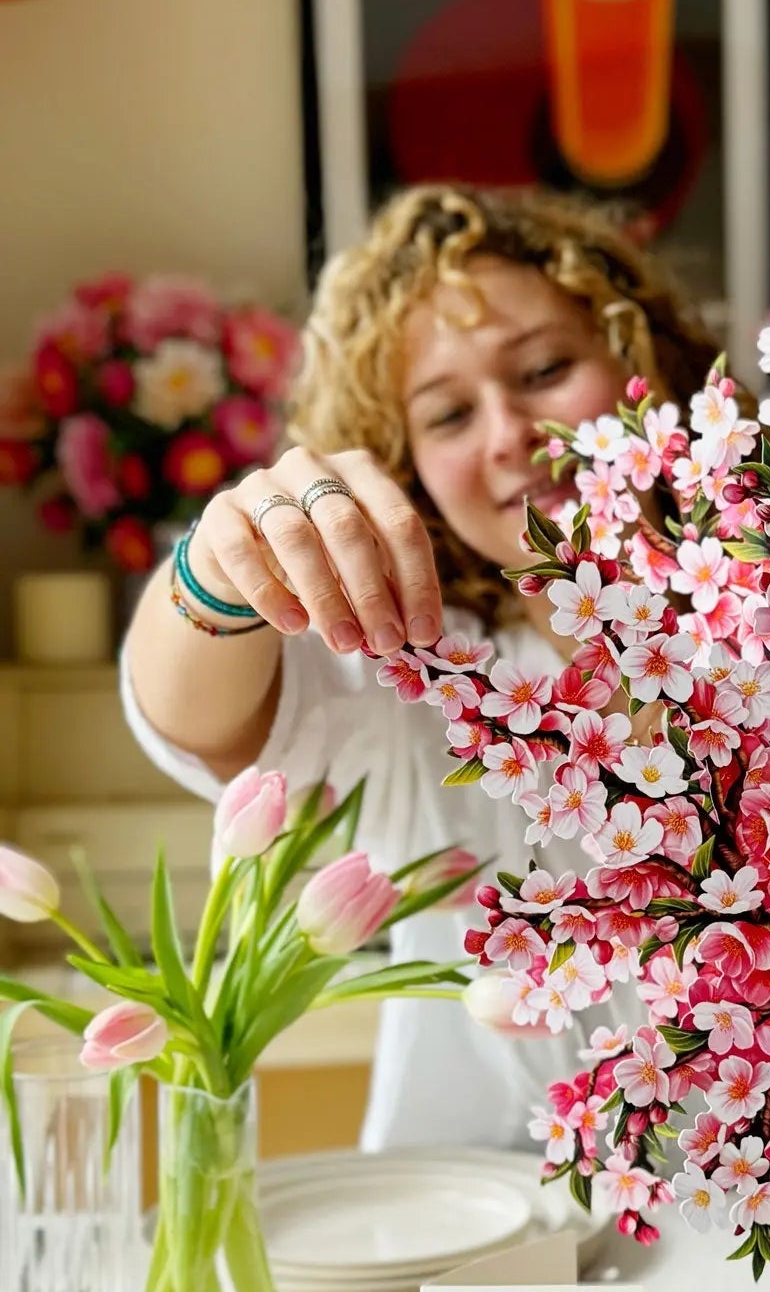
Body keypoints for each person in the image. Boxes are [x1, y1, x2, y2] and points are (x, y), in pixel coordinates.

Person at [122, 184, 721, 1150]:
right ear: (407, 475)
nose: (506, 435)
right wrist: (217, 568)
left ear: (642, 358)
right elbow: (189, 719)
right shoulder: (422, 668)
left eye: (545, 368)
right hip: (468, 1253)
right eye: (446, 417)